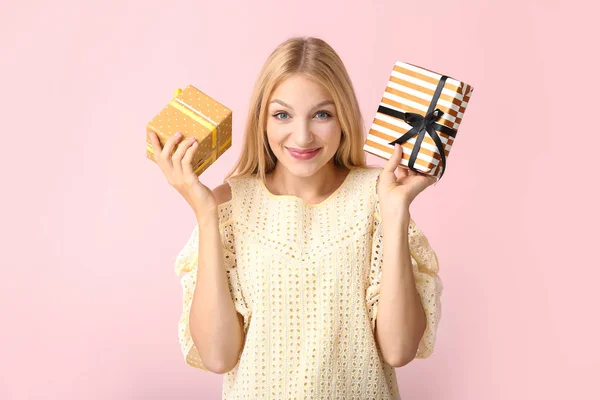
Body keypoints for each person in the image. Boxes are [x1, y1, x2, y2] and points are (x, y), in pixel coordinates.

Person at [148, 36, 443, 400]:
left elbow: (399, 350)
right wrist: (207, 215)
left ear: (344, 119)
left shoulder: (381, 194)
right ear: (263, 121)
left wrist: (395, 214)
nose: (302, 136)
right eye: (282, 114)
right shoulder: (228, 204)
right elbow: (218, 356)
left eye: (322, 114)